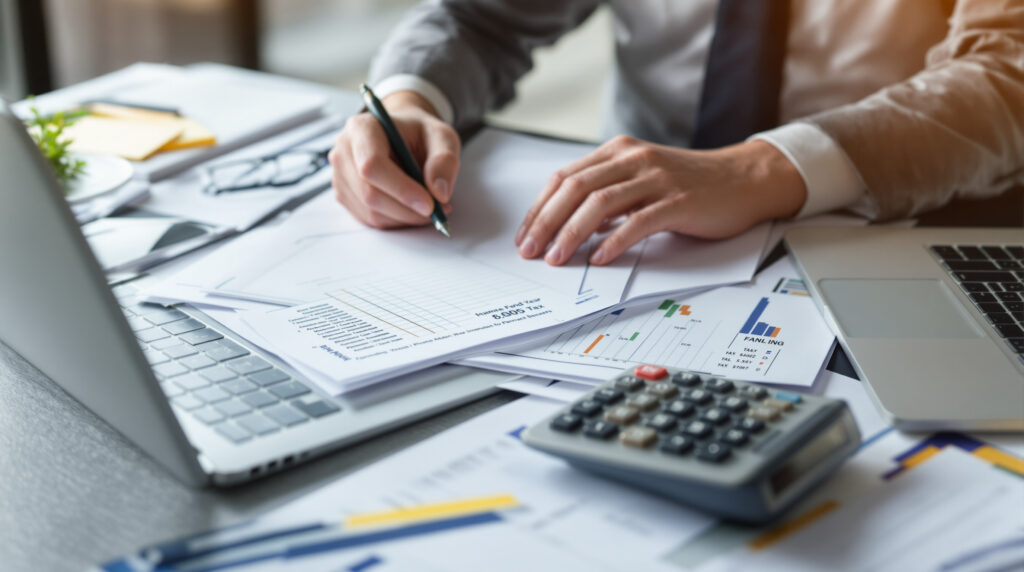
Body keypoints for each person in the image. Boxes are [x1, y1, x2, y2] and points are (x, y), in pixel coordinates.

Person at [328, 0, 1024, 267]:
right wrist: (407, 100)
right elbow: (482, 18)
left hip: (892, 225)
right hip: (624, 235)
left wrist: (759, 171)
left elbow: (1006, 74)